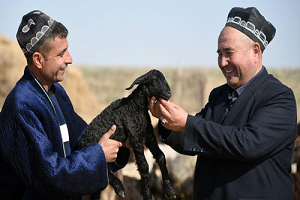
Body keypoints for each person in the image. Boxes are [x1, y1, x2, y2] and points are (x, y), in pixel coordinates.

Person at [149, 7, 298, 200]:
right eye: (219, 53)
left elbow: (246, 144)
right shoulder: (218, 96)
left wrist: (187, 122)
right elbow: (192, 138)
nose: (222, 62)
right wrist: (165, 119)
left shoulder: (279, 98)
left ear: (255, 51)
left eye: (229, 53)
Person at [0, 10, 129, 199]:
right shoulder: (21, 106)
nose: (69, 59)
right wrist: (98, 156)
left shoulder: (55, 91)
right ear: (38, 59)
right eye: (61, 54)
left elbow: (82, 138)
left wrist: (124, 141)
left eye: (67, 50)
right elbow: (50, 175)